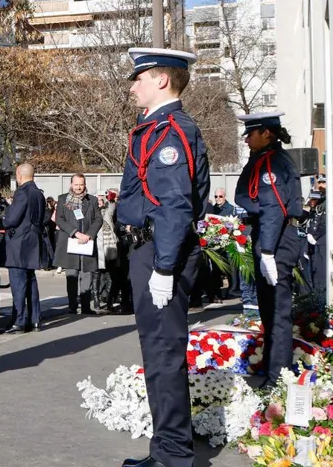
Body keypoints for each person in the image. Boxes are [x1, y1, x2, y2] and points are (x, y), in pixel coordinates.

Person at [117, 48, 209, 467]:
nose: (133, 86)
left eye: (139, 77)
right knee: (157, 355)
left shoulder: (170, 130)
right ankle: (166, 450)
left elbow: (174, 203)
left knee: (163, 355)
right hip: (152, 246)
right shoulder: (157, 127)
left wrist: (164, 267)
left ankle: (173, 456)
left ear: (161, 80)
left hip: (160, 249)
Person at [234, 112, 302, 388]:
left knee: (276, 313)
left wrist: (268, 252)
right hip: (272, 236)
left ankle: (279, 377)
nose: (247, 139)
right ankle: (274, 370)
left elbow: (273, 209)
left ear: (266, 133)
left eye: (251, 134)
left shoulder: (271, 163)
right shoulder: (266, 159)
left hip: (276, 239)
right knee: (269, 311)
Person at [3, 164, 49, 332]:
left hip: (19, 243)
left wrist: (4, 218)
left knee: (18, 282)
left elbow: (12, 219)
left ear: (19, 176)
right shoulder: (39, 194)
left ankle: (19, 320)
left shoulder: (22, 192)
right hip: (33, 241)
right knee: (31, 281)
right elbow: (44, 218)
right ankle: (35, 319)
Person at [54, 174, 102, 314]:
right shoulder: (63, 199)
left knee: (86, 274)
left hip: (87, 241)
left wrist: (89, 235)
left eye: (81, 184)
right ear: (71, 184)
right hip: (71, 241)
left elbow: (98, 219)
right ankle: (72, 306)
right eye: (76, 184)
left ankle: (86, 307)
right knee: (72, 275)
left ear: (85, 184)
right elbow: (60, 219)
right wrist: (75, 233)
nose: (79, 187)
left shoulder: (91, 200)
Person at [305, 190, 326, 295]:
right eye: (311, 199)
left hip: (319, 242)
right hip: (311, 245)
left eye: (315, 199)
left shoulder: (320, 210)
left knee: (319, 270)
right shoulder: (312, 212)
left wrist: (314, 236)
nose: (312, 201)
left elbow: (323, 224)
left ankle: (319, 294)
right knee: (313, 270)